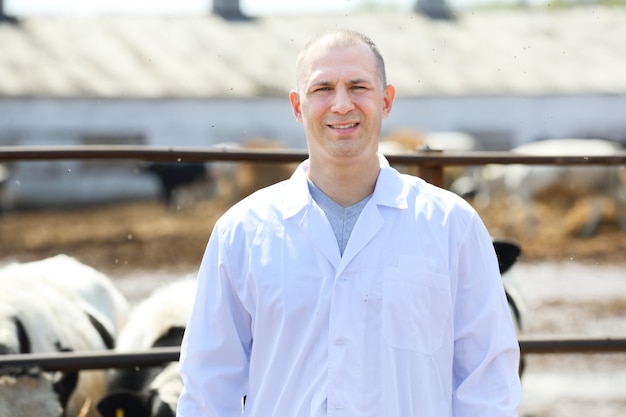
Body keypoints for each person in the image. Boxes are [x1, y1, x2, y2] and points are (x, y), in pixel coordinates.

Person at [177, 29, 522, 417]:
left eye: (358, 86)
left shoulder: (451, 226)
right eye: (322, 88)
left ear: (386, 100)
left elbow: (487, 379)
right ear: (297, 105)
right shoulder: (241, 232)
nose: (341, 105)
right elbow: (209, 385)